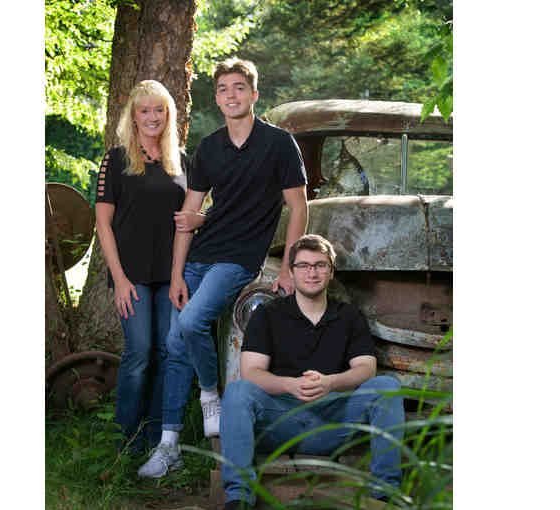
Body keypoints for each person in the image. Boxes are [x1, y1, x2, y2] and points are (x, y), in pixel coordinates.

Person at [138, 57, 309, 478]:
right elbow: (187, 216)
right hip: (200, 254)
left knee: (190, 322)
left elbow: (299, 207)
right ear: (216, 99)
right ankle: (169, 444)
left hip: (239, 258)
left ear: (254, 94)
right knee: (176, 344)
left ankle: (209, 394)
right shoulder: (210, 147)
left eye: (238, 87)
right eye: (222, 89)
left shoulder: (279, 144)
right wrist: (176, 275)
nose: (231, 95)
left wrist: (288, 267)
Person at [220, 234, 405, 509]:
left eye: (320, 265)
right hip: (280, 421)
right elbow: (251, 372)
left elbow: (366, 369)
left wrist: (331, 382)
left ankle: (385, 495)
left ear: (331, 272)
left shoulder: (349, 316)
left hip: (333, 421)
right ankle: (238, 498)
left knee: (387, 387)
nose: (312, 272)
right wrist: (289, 385)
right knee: (237, 391)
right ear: (292, 272)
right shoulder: (267, 315)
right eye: (304, 265)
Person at [95, 80, 203, 454]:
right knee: (139, 352)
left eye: (159, 109)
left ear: (168, 114)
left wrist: (178, 275)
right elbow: (103, 224)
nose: (152, 117)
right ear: (134, 116)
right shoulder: (116, 159)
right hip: (132, 276)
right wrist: (120, 279)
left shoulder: (181, 161)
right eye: (145, 110)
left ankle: (158, 438)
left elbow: (192, 216)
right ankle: (126, 440)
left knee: (166, 353)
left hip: (171, 274)